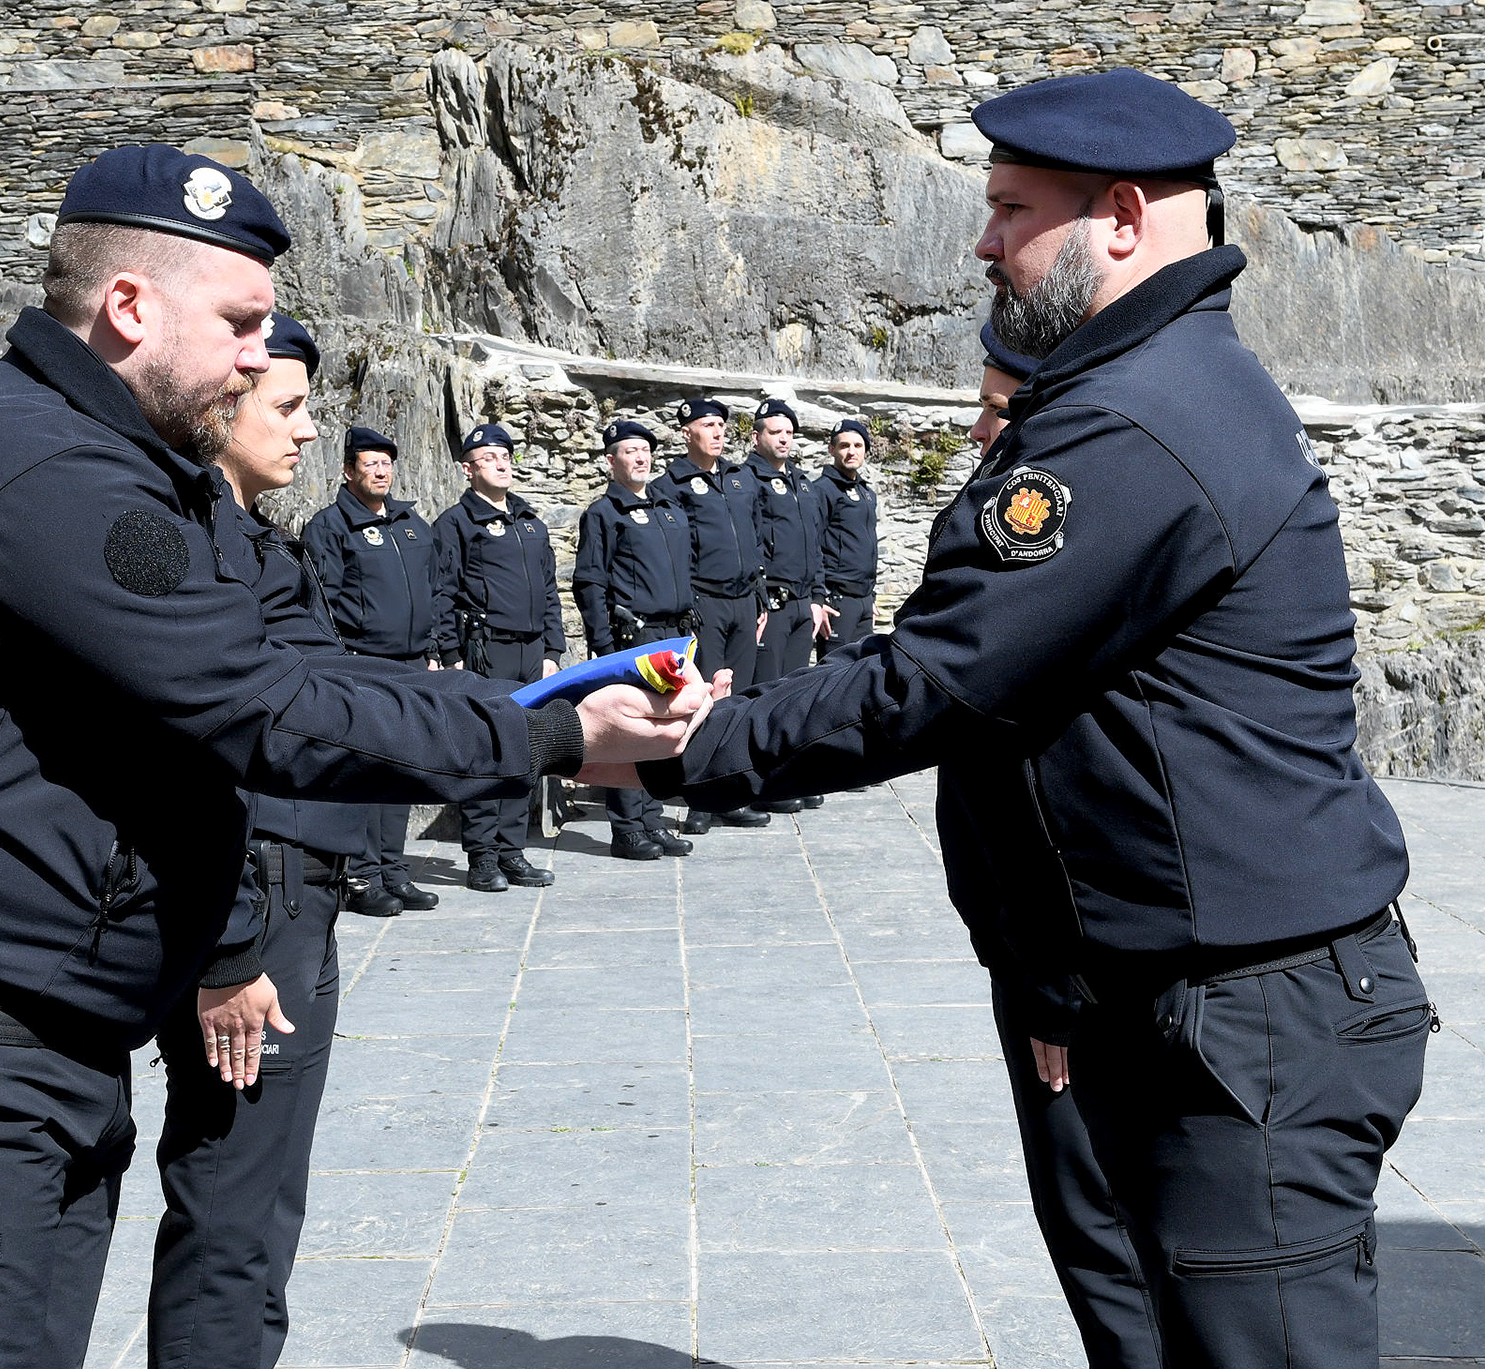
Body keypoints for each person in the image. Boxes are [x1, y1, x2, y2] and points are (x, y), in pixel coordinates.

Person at [0, 144, 707, 1369]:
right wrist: (548, 739)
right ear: (128, 307)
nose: (260, 357)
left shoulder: (138, 466)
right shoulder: (44, 468)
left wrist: (549, 701)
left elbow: (300, 663)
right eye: (240, 323)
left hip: (28, 1027)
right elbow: (259, 708)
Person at [607, 69, 1427, 1369]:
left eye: (1009, 211)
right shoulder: (1148, 389)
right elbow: (1021, 709)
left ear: (1121, 218)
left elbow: (940, 681)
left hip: (1246, 1018)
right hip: (1180, 991)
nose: (983, 245)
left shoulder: (1138, 421)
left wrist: (689, 749)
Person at [151, 311, 361, 1369]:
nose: (308, 428)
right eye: (288, 406)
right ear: (222, 405)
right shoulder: (199, 546)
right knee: (229, 1198)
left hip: (299, 890)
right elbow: (189, 749)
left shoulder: (259, 540)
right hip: (253, 897)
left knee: (271, 1194)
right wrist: (229, 948)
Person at [967, 320, 1162, 1369]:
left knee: (1101, 1232)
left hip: (1070, 958)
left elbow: (1032, 775)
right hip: (1056, 945)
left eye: (995, 409)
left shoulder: (1049, 539)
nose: (976, 428)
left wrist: (1048, 981)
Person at [301, 424, 441, 916]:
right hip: (362, 663)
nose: (381, 471)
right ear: (348, 471)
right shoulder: (330, 527)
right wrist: (341, 656)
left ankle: (394, 871)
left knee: (402, 769)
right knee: (366, 769)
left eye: (386, 463)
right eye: (370, 463)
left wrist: (433, 648)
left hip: (413, 663)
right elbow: (322, 601)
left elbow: (435, 589)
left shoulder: (411, 523)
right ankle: (360, 877)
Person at [432, 423, 567, 892]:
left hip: (532, 651)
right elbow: (442, 591)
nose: (501, 463)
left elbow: (549, 591)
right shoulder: (455, 523)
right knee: (486, 750)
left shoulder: (530, 521)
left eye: (506, 455)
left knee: (526, 749)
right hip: (484, 649)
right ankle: (483, 856)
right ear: (468, 470)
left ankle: (512, 850)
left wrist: (553, 649)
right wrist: (451, 653)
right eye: (488, 457)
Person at [572, 418, 695, 861]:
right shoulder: (604, 513)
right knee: (630, 730)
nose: (640, 457)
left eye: (645, 450)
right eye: (630, 451)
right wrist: (604, 646)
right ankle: (626, 828)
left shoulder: (668, 507)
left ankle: (652, 819)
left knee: (664, 728)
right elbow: (589, 583)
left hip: (673, 634)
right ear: (611, 461)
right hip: (633, 637)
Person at [650, 397, 769, 835]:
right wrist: (689, 603)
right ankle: (698, 797)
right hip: (705, 603)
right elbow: (672, 551)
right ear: (687, 433)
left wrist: (760, 597)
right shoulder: (671, 484)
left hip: (743, 601)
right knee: (703, 699)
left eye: (721, 425)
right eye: (707, 425)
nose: (718, 432)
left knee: (738, 697)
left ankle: (730, 793)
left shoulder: (740, 478)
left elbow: (756, 537)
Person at [744, 398, 827, 815]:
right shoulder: (747, 480)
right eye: (775, 432)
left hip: (802, 603)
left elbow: (816, 545)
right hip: (773, 603)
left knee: (796, 695)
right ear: (756, 436)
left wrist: (818, 598)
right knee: (768, 693)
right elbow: (750, 544)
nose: (783, 440)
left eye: (789, 433)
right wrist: (758, 599)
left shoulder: (802, 483)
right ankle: (762, 783)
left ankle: (788, 775)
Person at [812, 419, 879, 659]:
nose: (851, 451)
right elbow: (813, 547)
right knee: (834, 672)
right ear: (832, 449)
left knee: (861, 670)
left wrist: (869, 596)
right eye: (844, 445)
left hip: (863, 600)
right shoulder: (822, 490)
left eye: (858, 445)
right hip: (837, 600)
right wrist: (819, 598)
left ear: (865, 450)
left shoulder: (866, 493)